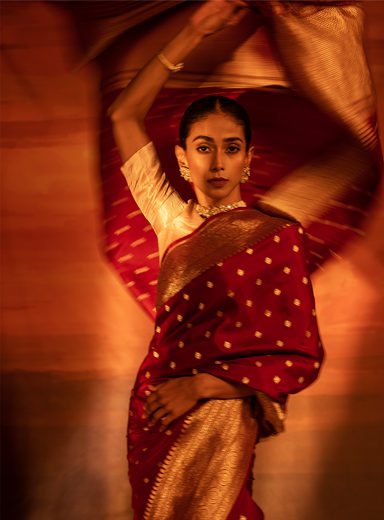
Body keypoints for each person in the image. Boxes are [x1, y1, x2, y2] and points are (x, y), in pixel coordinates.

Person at [108, 2, 323, 519]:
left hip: (222, 406)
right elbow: (122, 115)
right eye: (204, 147)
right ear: (182, 158)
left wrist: (205, 385)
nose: (218, 161)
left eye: (231, 148)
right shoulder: (170, 219)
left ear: (248, 159)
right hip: (159, 411)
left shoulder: (276, 234)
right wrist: (193, 31)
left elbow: (295, 355)